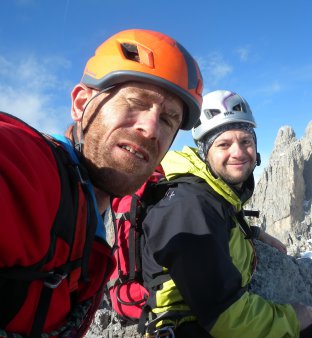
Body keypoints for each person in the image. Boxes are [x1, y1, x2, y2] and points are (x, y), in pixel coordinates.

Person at [0, 29, 203, 337]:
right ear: (82, 103)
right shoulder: (33, 171)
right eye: (136, 102)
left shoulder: (97, 205)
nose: (150, 128)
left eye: (167, 119)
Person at [141, 90, 312, 337]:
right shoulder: (188, 206)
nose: (238, 152)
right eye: (223, 144)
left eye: (246, 141)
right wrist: (294, 318)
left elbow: (214, 232)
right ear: (204, 152)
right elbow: (225, 318)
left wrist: (250, 232)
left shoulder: (212, 194)